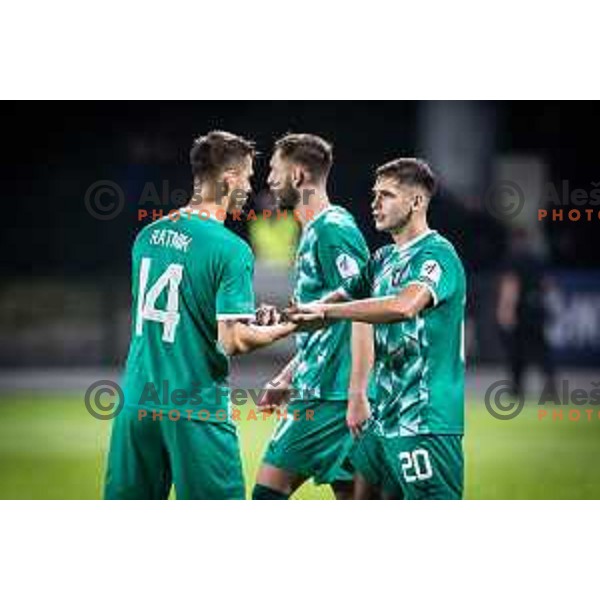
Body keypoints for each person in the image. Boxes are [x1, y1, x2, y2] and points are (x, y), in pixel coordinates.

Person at [104, 131, 297, 500]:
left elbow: (178, 311)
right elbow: (233, 340)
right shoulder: (230, 248)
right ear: (229, 179)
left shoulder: (147, 235)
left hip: (136, 404)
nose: (249, 186)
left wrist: (243, 317)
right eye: (248, 176)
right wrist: (288, 326)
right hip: (194, 407)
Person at [290, 158, 466, 500]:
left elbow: (404, 306)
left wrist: (326, 312)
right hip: (383, 421)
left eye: (386, 195)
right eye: (374, 194)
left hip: (425, 423)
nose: (374, 203)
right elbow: (324, 305)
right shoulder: (382, 259)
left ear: (416, 202)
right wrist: (281, 319)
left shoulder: (438, 255)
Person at [252, 133, 373, 500]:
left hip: (332, 400)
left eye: (274, 170)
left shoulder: (333, 229)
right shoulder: (311, 231)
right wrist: (287, 375)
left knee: (265, 496)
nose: (269, 179)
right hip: (317, 391)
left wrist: (357, 394)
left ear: (299, 174)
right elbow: (326, 323)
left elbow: (365, 310)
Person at [497, 228, 557, 399]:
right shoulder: (537, 259)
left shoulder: (513, 259)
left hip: (521, 311)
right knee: (541, 350)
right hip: (537, 308)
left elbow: (511, 285)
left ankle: (517, 389)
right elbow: (548, 284)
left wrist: (506, 310)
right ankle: (551, 387)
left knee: (517, 352)